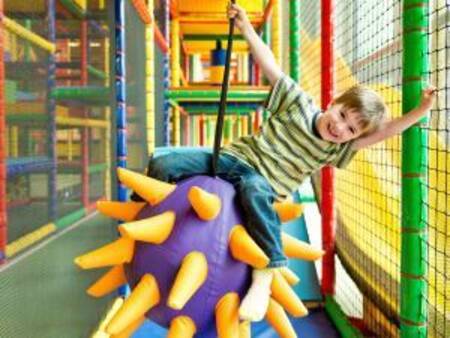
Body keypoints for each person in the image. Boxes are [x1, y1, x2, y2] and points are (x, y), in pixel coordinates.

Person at [134, 2, 436, 322]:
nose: (339, 127)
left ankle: (268, 269)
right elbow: (270, 64)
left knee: (254, 192)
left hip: (264, 184)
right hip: (233, 159)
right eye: (342, 115)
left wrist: (419, 112)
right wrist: (246, 29)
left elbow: (383, 133)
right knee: (165, 164)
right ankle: (142, 212)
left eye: (350, 129)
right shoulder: (298, 103)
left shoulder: (335, 149)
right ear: (333, 102)